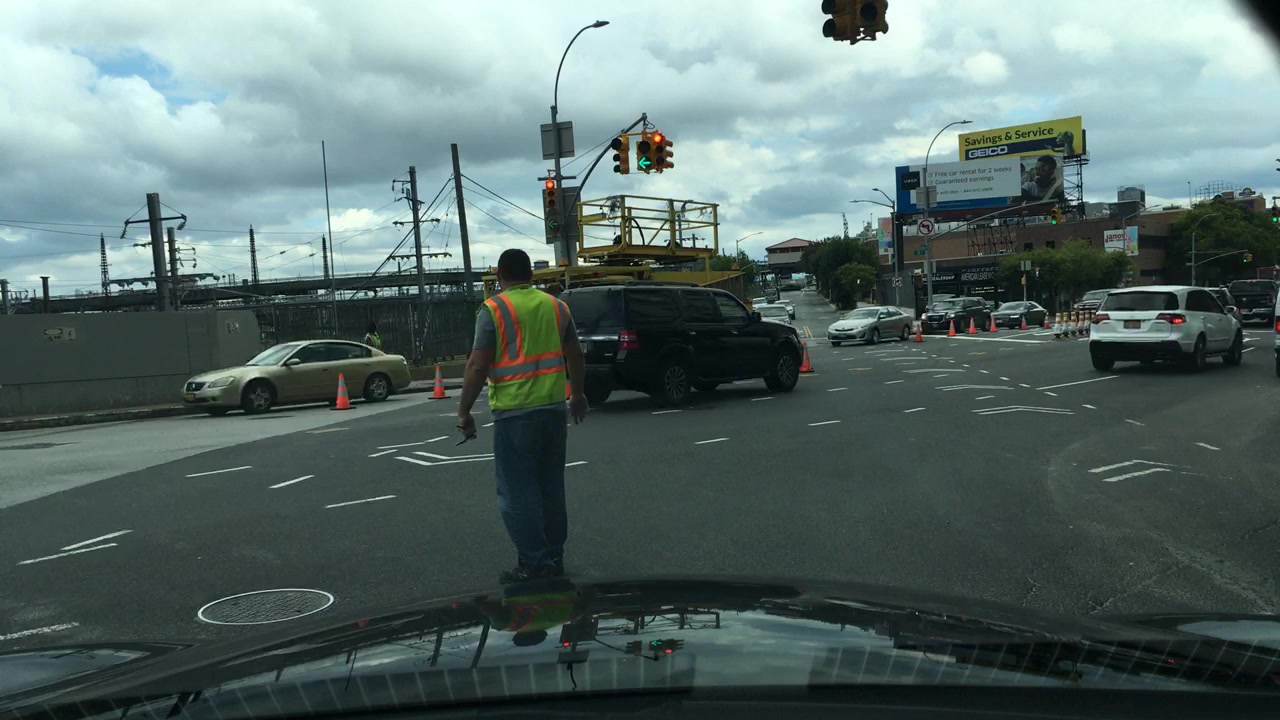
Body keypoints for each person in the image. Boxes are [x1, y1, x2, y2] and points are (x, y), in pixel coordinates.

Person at [457, 249, 588, 584]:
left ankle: (533, 562)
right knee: (550, 488)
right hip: (553, 410)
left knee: (517, 492)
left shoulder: (494, 309)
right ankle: (553, 556)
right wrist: (577, 394)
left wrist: (464, 410)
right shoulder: (557, 307)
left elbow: (478, 365)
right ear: (530, 274)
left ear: (499, 274)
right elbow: (575, 354)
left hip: (515, 413)